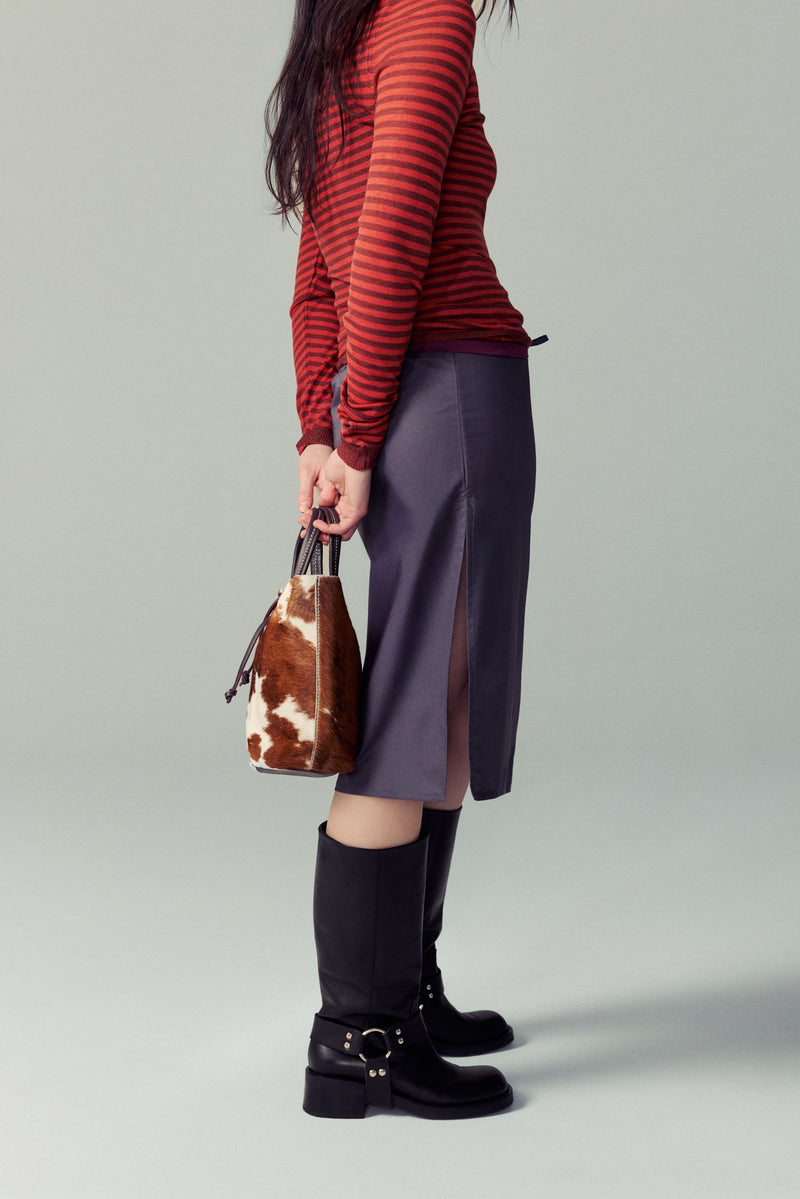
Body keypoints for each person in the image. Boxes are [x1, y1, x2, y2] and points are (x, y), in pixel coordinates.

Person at [265, 0, 547, 1119]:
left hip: (392, 395)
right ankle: (359, 1036)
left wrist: (322, 426)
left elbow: (315, 267)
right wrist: (358, 435)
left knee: (443, 700)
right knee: (419, 710)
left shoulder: (345, 31)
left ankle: (399, 991)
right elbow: (381, 245)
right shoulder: (424, 17)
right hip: (446, 396)